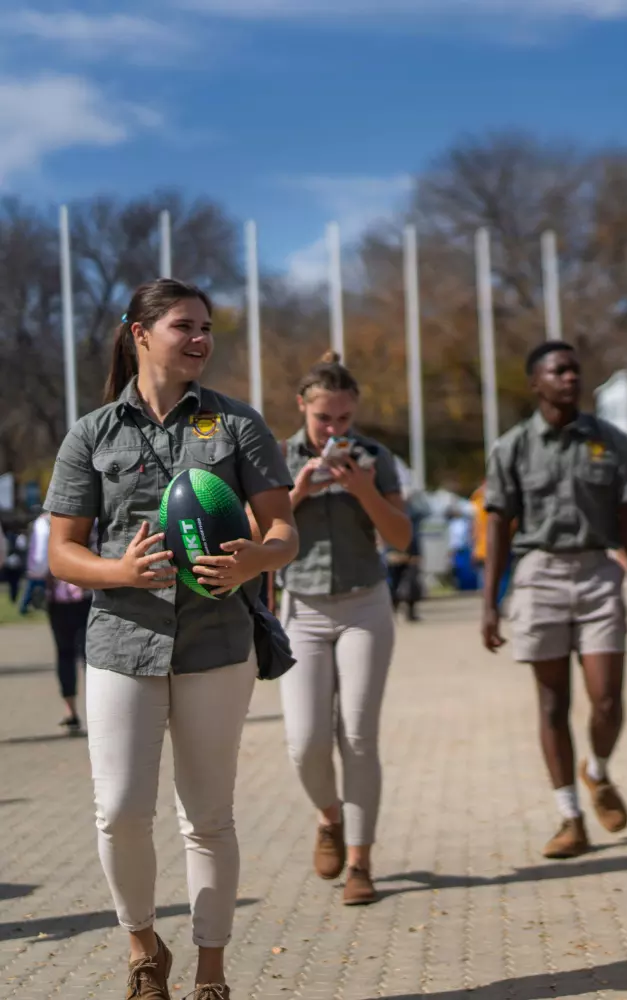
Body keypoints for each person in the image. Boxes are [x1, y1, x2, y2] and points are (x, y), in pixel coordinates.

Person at [43, 278, 298, 1000]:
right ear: (140, 333)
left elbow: (283, 531)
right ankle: (143, 948)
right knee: (120, 811)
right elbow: (62, 552)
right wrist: (118, 569)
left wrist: (257, 556)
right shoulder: (91, 434)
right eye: (184, 325)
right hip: (123, 641)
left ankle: (211, 973)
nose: (200, 339)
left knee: (208, 816)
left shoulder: (237, 424)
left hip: (217, 646)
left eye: (207, 327)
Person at [481, 341, 627, 859]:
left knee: (607, 698)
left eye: (575, 370)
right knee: (552, 702)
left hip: (599, 572)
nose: (570, 378)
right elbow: (498, 526)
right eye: (558, 371)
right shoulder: (511, 448)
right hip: (539, 575)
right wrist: (491, 603)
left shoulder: (611, 442)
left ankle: (597, 769)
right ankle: (570, 815)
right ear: (536, 383)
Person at [278, 354, 411, 906]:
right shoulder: (274, 456)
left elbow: (401, 537)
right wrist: (299, 491)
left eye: (344, 420)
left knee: (357, 735)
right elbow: (256, 529)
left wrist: (366, 491)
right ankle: (328, 818)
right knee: (305, 742)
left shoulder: (375, 457)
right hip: (302, 608)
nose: (334, 431)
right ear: (302, 408)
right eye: (324, 420)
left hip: (364, 605)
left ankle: (360, 860)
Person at [47, 561, 91, 734]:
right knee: (91, 656)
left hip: (58, 596)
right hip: (87, 592)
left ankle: (71, 710)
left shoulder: (46, 532)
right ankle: (101, 712)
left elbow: (36, 564)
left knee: (65, 654)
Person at [19, 512, 50, 614]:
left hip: (36, 564)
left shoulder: (38, 524)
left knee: (33, 588)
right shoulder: (42, 523)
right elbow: (41, 549)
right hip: (38, 565)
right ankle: (24, 607)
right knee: (31, 589)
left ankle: (29, 606)